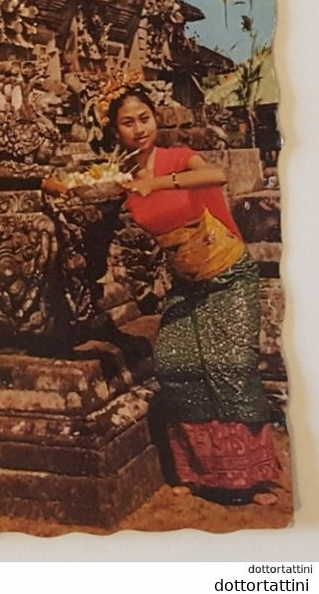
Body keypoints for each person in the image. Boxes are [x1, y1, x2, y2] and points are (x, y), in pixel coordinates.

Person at [106, 80, 280, 506]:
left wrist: (160, 184)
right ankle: (198, 473)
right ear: (115, 130)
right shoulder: (119, 177)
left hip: (229, 274)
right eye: (127, 123)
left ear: (156, 118)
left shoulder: (176, 158)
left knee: (231, 365)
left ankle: (252, 479)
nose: (138, 128)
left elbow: (215, 175)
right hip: (186, 282)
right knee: (176, 362)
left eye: (144, 118)